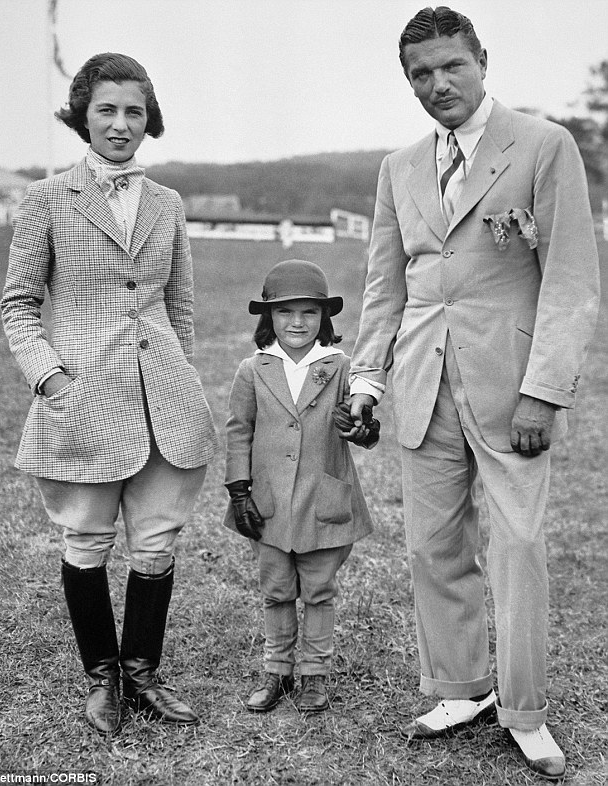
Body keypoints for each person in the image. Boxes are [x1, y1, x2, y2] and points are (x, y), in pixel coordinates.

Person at [345, 7, 600, 781]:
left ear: (481, 59)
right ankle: (460, 688)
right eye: (420, 73)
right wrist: (366, 378)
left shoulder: (545, 145)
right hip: (423, 384)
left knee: (517, 546)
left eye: (450, 65)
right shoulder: (398, 168)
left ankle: (525, 712)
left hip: (511, 389)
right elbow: (386, 286)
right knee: (433, 547)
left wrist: (544, 391)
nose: (437, 84)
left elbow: (569, 278)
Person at [0, 53, 218, 734]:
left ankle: (142, 671)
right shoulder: (46, 198)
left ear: (149, 120)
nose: (121, 124)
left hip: (163, 404)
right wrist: (53, 380)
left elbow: (178, 310)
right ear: (82, 116)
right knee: (86, 540)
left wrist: (177, 379)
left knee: (156, 545)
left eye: (133, 111)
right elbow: (17, 306)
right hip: (82, 404)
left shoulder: (168, 204)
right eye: (107, 110)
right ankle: (103, 677)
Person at [223, 259, 375, 713]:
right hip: (266, 503)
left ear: (324, 319)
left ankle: (314, 675)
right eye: (286, 312)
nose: (297, 322)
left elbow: (365, 424)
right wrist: (238, 490)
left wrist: (365, 429)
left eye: (309, 313)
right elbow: (238, 432)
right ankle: (277, 670)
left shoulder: (341, 366)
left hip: (322, 500)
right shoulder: (253, 370)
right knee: (275, 589)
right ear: (268, 317)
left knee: (318, 589)